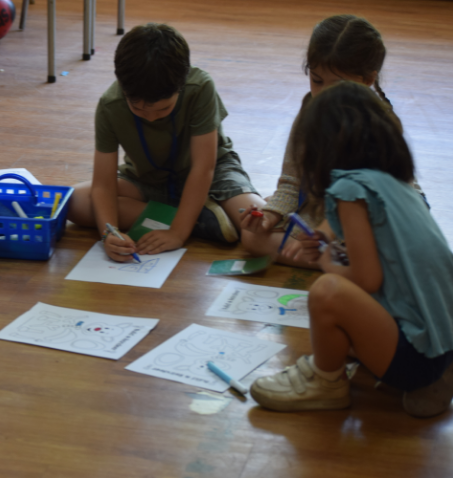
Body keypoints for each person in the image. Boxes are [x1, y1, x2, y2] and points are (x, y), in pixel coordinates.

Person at [249, 81, 453, 418]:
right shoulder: (395, 183)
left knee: (327, 291)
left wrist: (328, 262)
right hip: (442, 342)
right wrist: (333, 246)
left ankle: (326, 382)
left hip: (418, 358)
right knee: (341, 303)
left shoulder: (349, 189)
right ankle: (430, 376)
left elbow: (367, 279)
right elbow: (386, 263)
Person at [67, 23, 263, 262]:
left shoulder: (200, 87)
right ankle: (199, 220)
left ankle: (185, 219)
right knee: (73, 201)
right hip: (149, 180)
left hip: (214, 175)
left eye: (163, 109)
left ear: (181, 85)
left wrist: (178, 233)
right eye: (137, 108)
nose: (150, 117)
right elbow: (103, 184)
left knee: (258, 221)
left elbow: (204, 168)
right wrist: (109, 232)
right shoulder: (110, 105)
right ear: (123, 88)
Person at [240, 14, 424, 267]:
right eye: (316, 80)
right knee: (252, 236)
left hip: (375, 212)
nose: (323, 94)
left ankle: (345, 263)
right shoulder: (310, 110)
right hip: (325, 209)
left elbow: (374, 202)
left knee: (384, 250)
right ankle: (341, 263)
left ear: (368, 80)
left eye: (336, 84)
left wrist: (324, 235)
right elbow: (291, 183)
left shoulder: (379, 125)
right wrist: (270, 216)